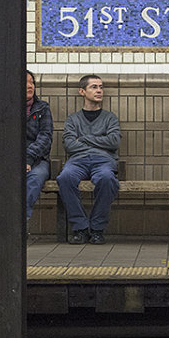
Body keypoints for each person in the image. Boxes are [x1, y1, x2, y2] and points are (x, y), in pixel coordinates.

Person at [56, 75, 121, 245]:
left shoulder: (110, 118)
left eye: (101, 87)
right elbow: (69, 145)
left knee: (107, 179)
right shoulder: (73, 119)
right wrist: (100, 142)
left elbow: (114, 142)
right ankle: (80, 228)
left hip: (103, 161)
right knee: (65, 178)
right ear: (82, 92)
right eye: (93, 87)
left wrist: (84, 139)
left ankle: (97, 229)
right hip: (78, 161)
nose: (99, 90)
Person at [25, 70, 54, 223]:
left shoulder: (42, 108)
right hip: (10, 158)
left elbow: (45, 136)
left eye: (32, 82)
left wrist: (29, 158)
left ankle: (22, 222)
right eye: (25, 82)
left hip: (37, 159)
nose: (30, 86)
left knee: (35, 178)